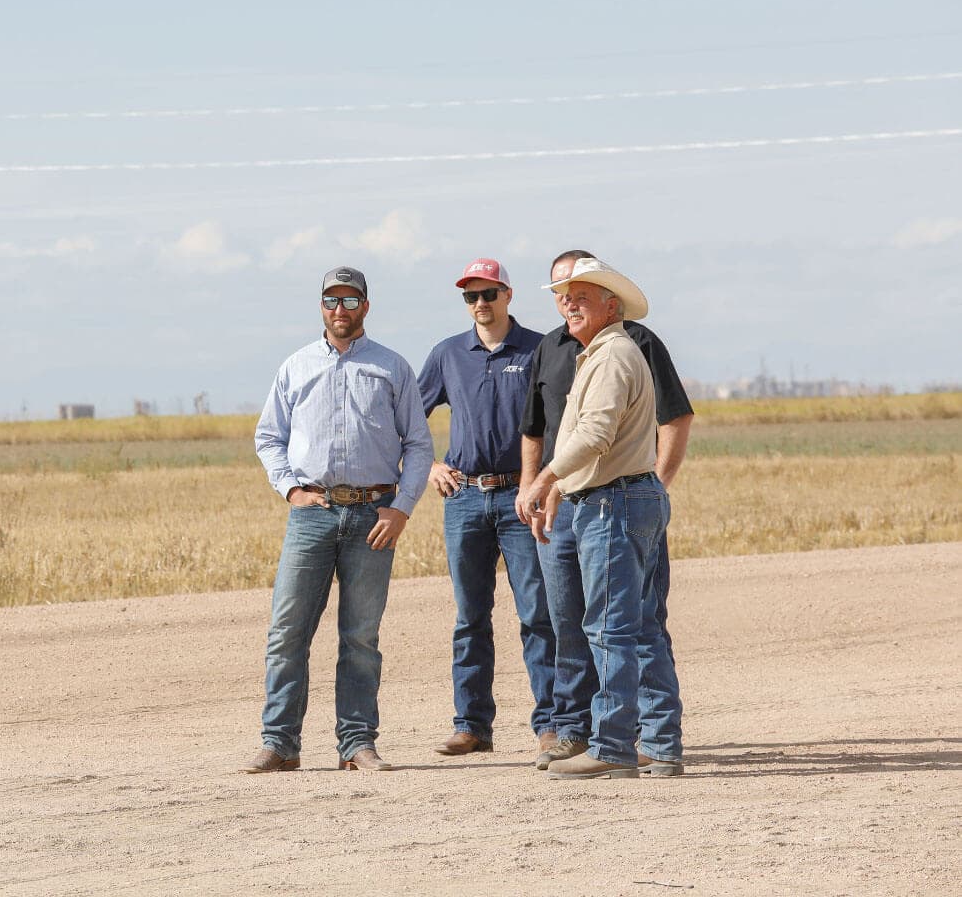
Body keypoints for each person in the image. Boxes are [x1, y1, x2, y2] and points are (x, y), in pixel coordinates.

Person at [244, 265, 435, 773]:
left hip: (375, 514)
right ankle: (280, 743)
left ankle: (357, 744)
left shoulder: (392, 368)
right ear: (321, 306)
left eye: (351, 301)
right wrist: (290, 490)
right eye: (332, 300)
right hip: (314, 513)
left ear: (366, 307)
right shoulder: (295, 366)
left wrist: (401, 508)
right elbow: (268, 437)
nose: (341, 310)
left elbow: (418, 444)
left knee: (360, 637)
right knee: (287, 632)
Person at [520, 249, 693, 775]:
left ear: (612, 306)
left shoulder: (614, 355)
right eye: (563, 298)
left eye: (580, 297)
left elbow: (594, 435)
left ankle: (613, 746)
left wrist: (545, 478)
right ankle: (658, 745)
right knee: (634, 627)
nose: (568, 305)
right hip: (614, 498)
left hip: (612, 502)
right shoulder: (598, 353)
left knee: (611, 629)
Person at [417, 258, 558, 759]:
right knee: (470, 616)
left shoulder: (541, 348)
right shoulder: (448, 354)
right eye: (470, 296)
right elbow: (405, 420)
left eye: (488, 294)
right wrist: (430, 465)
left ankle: (551, 724)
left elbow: (561, 420)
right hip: (465, 499)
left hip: (522, 500)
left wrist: (542, 484)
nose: (480, 304)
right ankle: (472, 725)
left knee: (538, 613)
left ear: (509, 295)